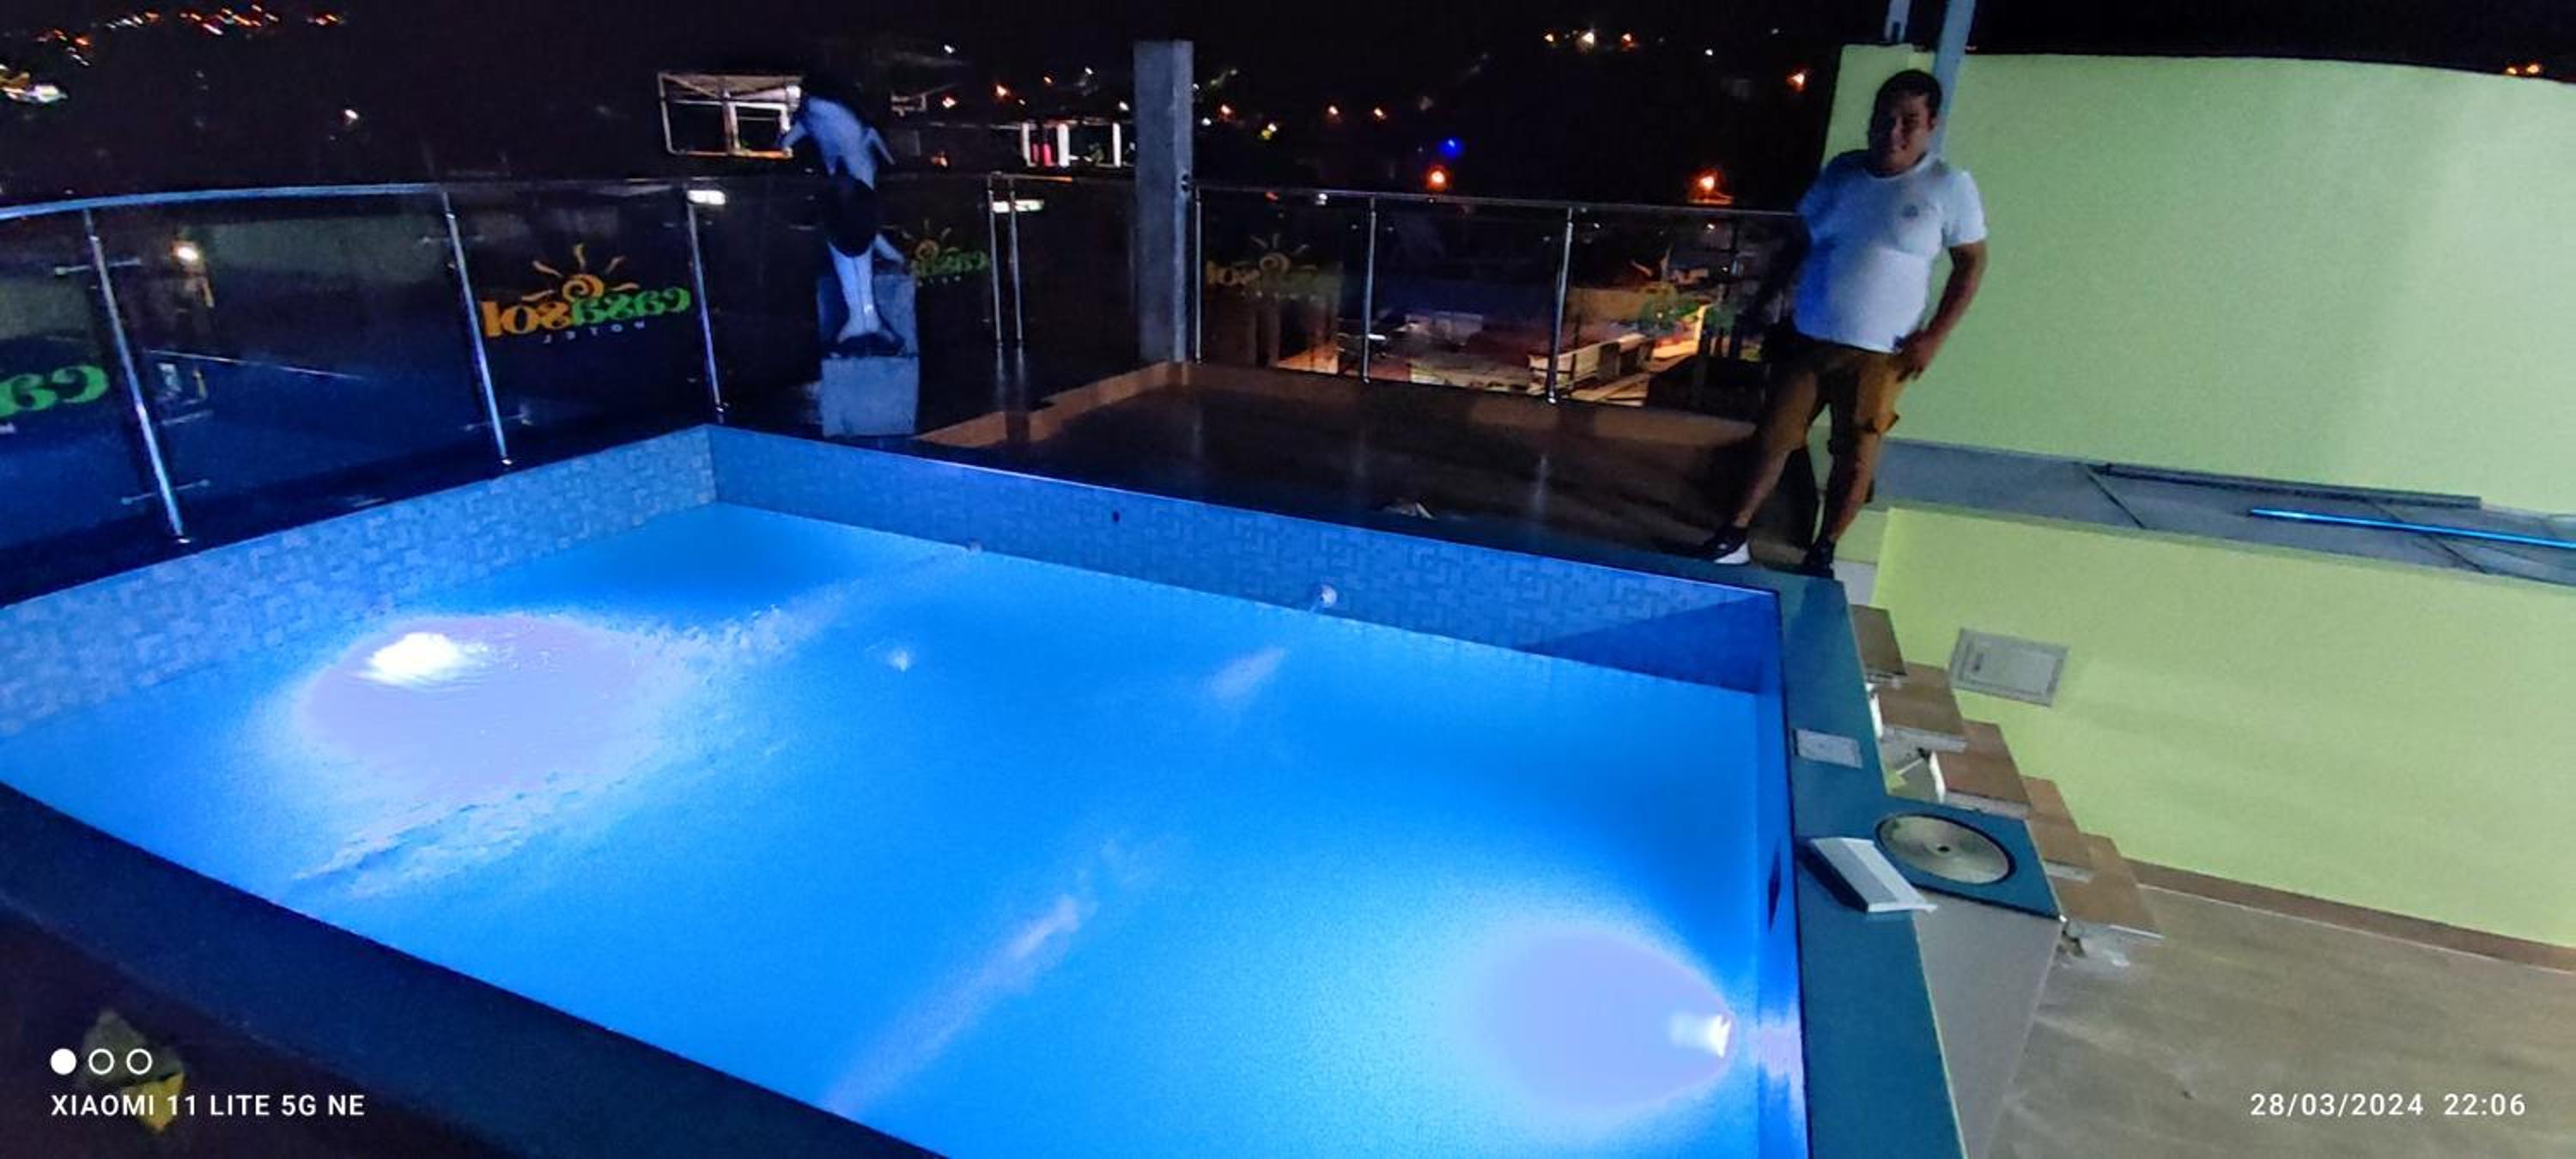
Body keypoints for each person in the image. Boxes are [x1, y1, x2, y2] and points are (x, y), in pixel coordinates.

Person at [1702, 69, 1989, 575]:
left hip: (1881, 351)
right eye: (1884, 118)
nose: (1893, 132)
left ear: (1932, 125)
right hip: (1808, 335)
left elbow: (1972, 263)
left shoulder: (1947, 186)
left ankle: (1824, 549)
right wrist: (1765, 300)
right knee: (1774, 437)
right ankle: (1735, 533)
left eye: (1909, 121)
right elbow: (1801, 240)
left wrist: (1934, 338)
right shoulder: (1842, 171)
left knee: (1855, 454)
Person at [782, 73, 908, 353]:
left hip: (846, 197)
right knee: (857, 234)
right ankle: (865, 320)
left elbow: (784, 143)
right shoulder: (829, 117)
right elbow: (880, 148)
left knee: (854, 234)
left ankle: (863, 319)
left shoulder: (810, 116)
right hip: (850, 197)